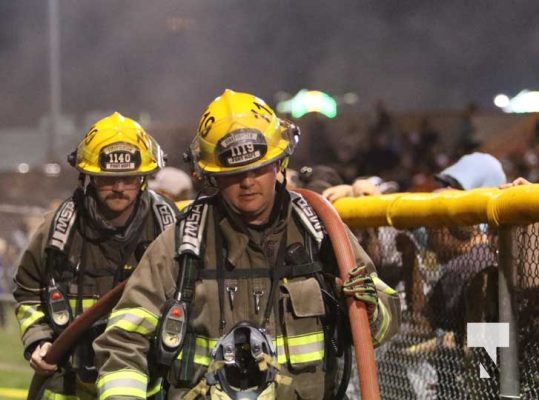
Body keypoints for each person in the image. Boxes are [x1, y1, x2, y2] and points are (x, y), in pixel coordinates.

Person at [94, 89, 401, 400]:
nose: (248, 182)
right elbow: (124, 340)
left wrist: (371, 306)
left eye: (258, 169)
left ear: (279, 163)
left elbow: (384, 322)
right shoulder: (181, 245)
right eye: (235, 173)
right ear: (211, 175)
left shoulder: (320, 233)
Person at [12, 112, 178, 399]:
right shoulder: (57, 230)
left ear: (143, 177)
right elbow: (28, 290)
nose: (118, 187)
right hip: (70, 387)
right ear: (87, 177)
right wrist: (39, 338)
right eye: (107, 179)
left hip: (147, 387)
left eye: (128, 178)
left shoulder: (170, 228)